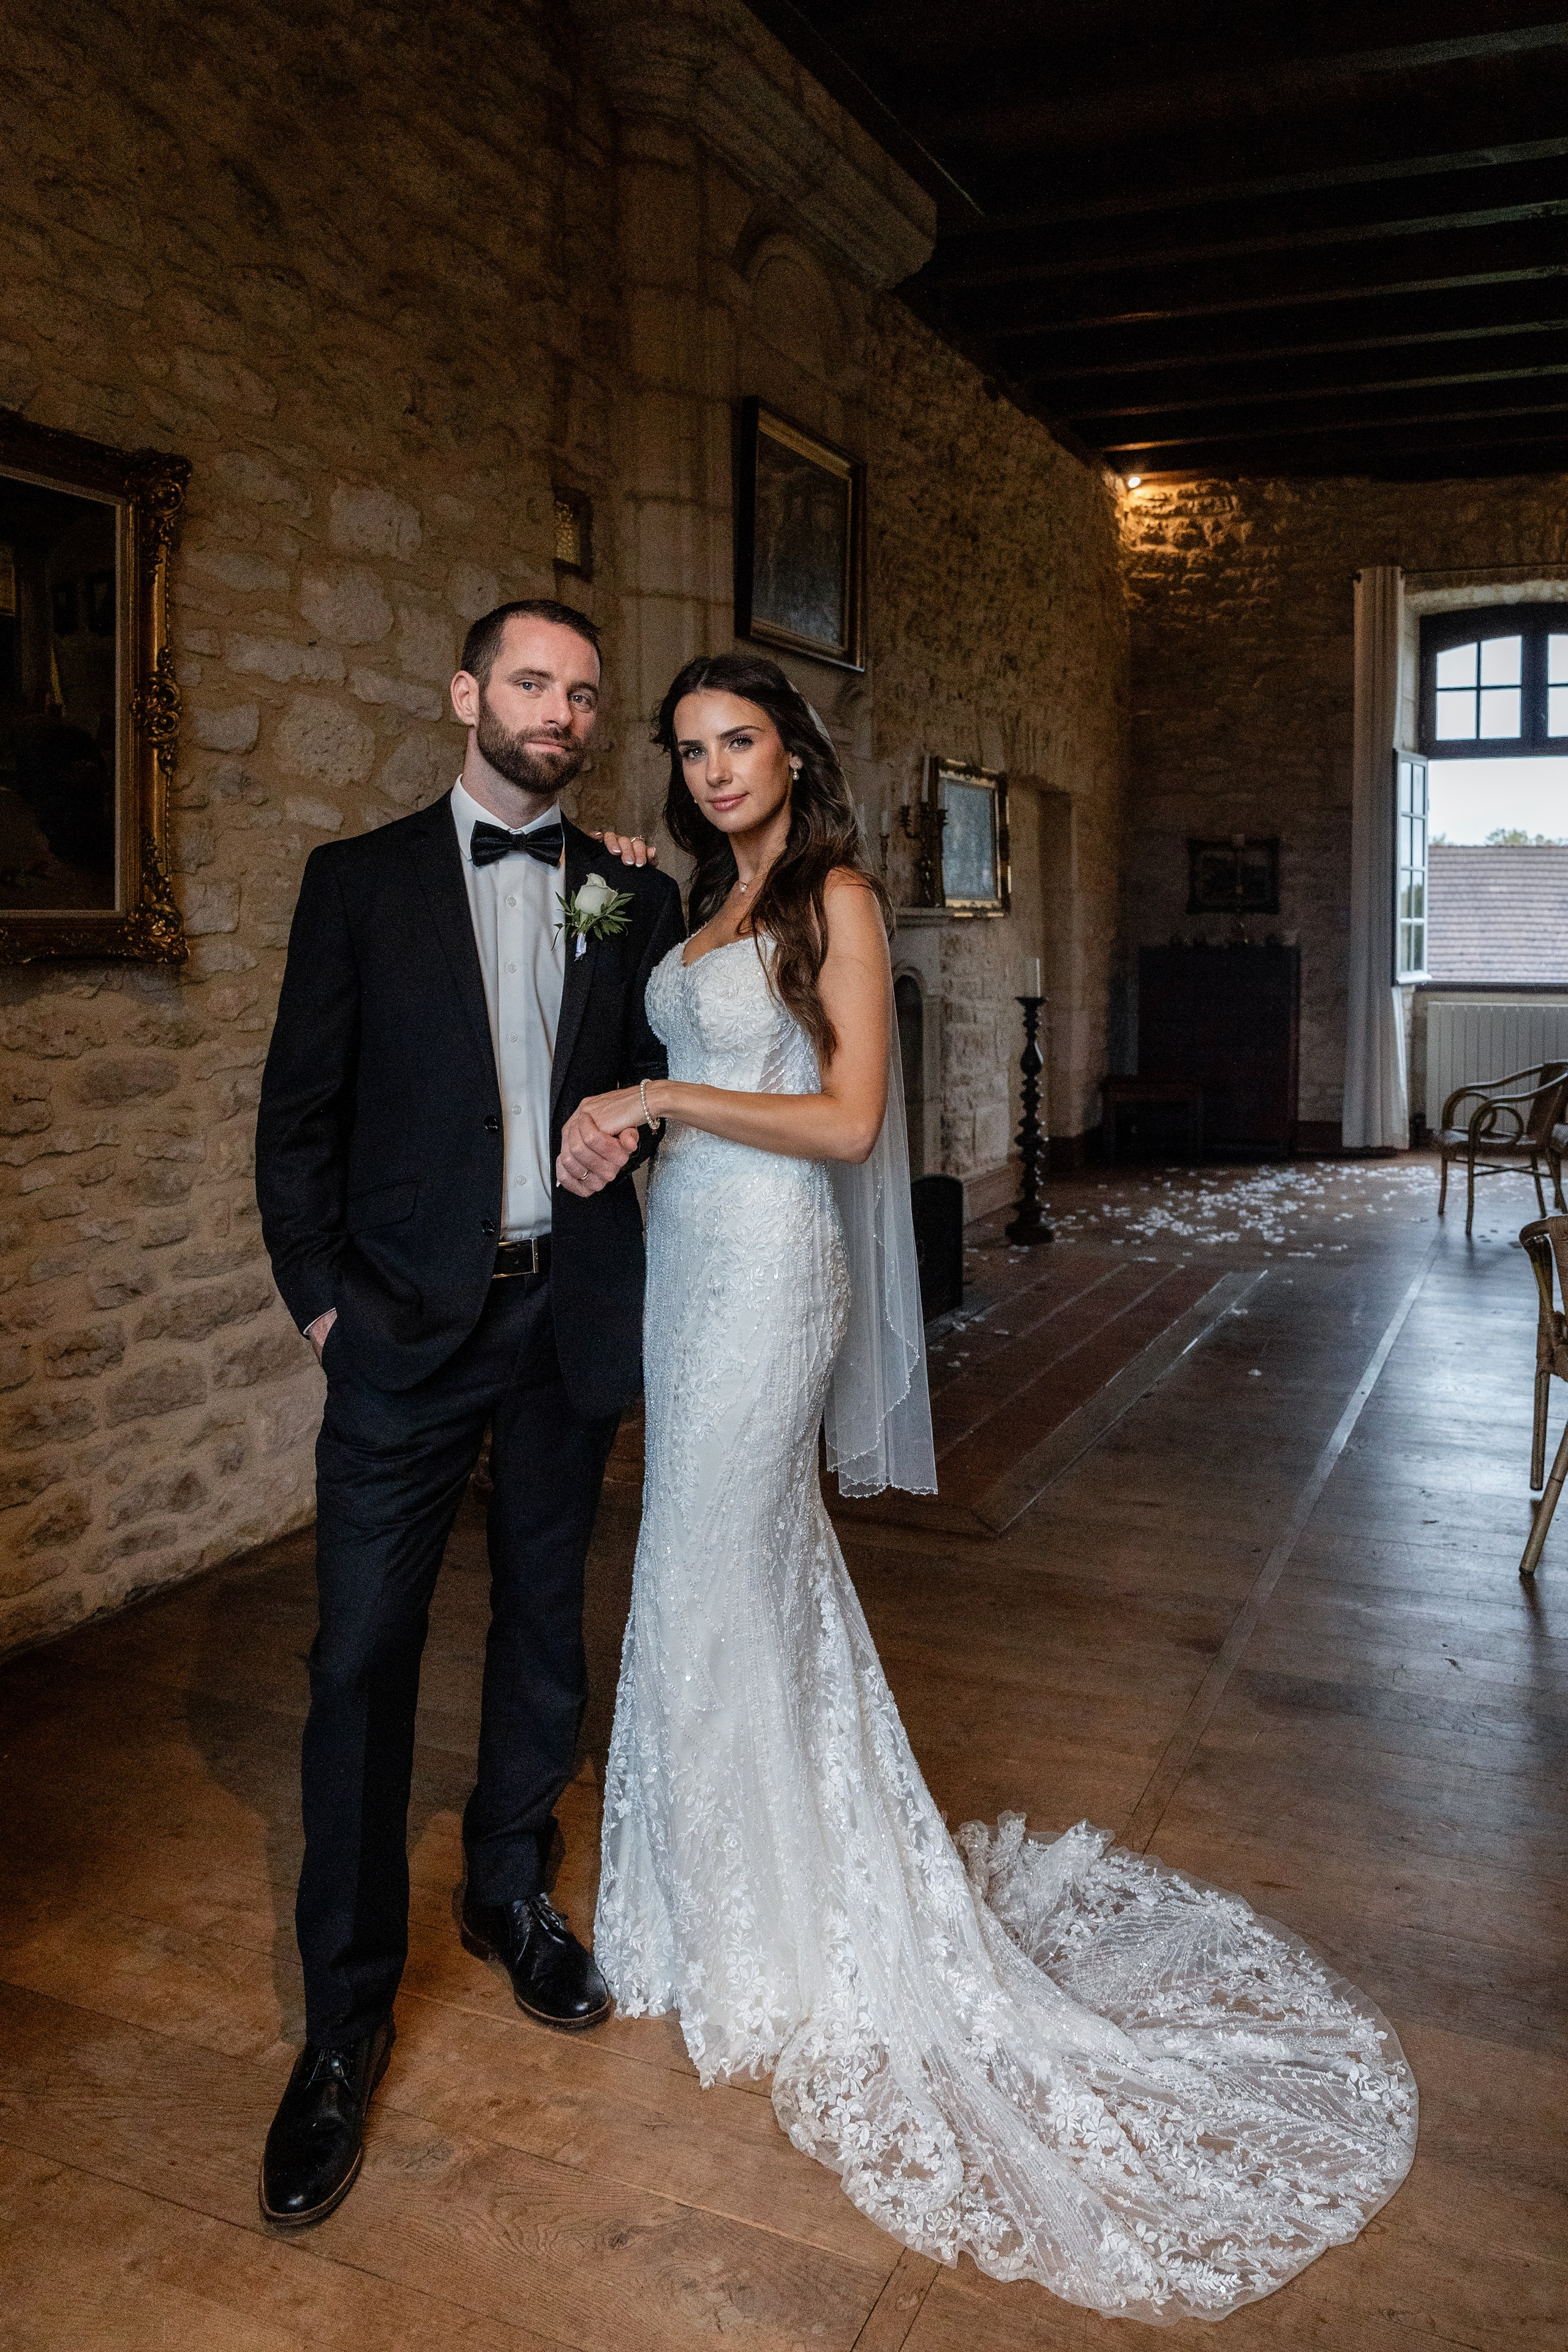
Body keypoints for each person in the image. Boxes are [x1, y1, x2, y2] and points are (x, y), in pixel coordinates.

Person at [557, 651, 1418, 2324]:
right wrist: (640, 1132)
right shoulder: (693, 902)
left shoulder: (837, 899)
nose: (717, 767)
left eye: (741, 740)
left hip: (770, 1275)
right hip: (685, 1266)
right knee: (706, 1565)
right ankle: (710, 1906)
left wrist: (660, 1094)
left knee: (711, 1563)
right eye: (692, 749)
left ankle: (773, 1927)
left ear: (793, 754)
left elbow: (853, 1116)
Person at [254, 598, 682, 2228]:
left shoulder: (629, 889)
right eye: (530, 683)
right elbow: (294, 1128)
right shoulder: (354, 884)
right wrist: (324, 1309)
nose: (558, 712)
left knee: (545, 1625)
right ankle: (347, 2019)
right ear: (466, 694)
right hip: (405, 1335)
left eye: (582, 694)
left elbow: (668, 1068)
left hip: (564, 1314)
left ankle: (513, 1891)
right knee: (359, 1656)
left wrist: (635, 1137)